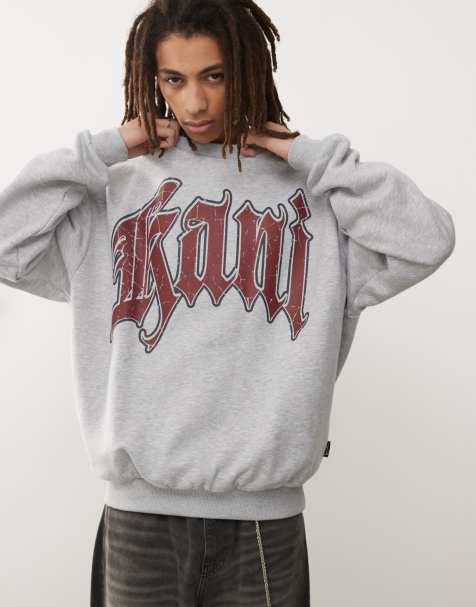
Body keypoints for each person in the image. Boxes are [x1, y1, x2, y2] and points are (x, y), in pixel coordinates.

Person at [0, 1, 456, 606]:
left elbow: (427, 239)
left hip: (262, 522)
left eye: (213, 76)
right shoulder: (116, 192)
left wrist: (310, 156)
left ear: (247, 69)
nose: (193, 103)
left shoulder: (319, 199)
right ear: (152, 81)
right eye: (174, 79)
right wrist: (103, 149)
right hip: (139, 519)